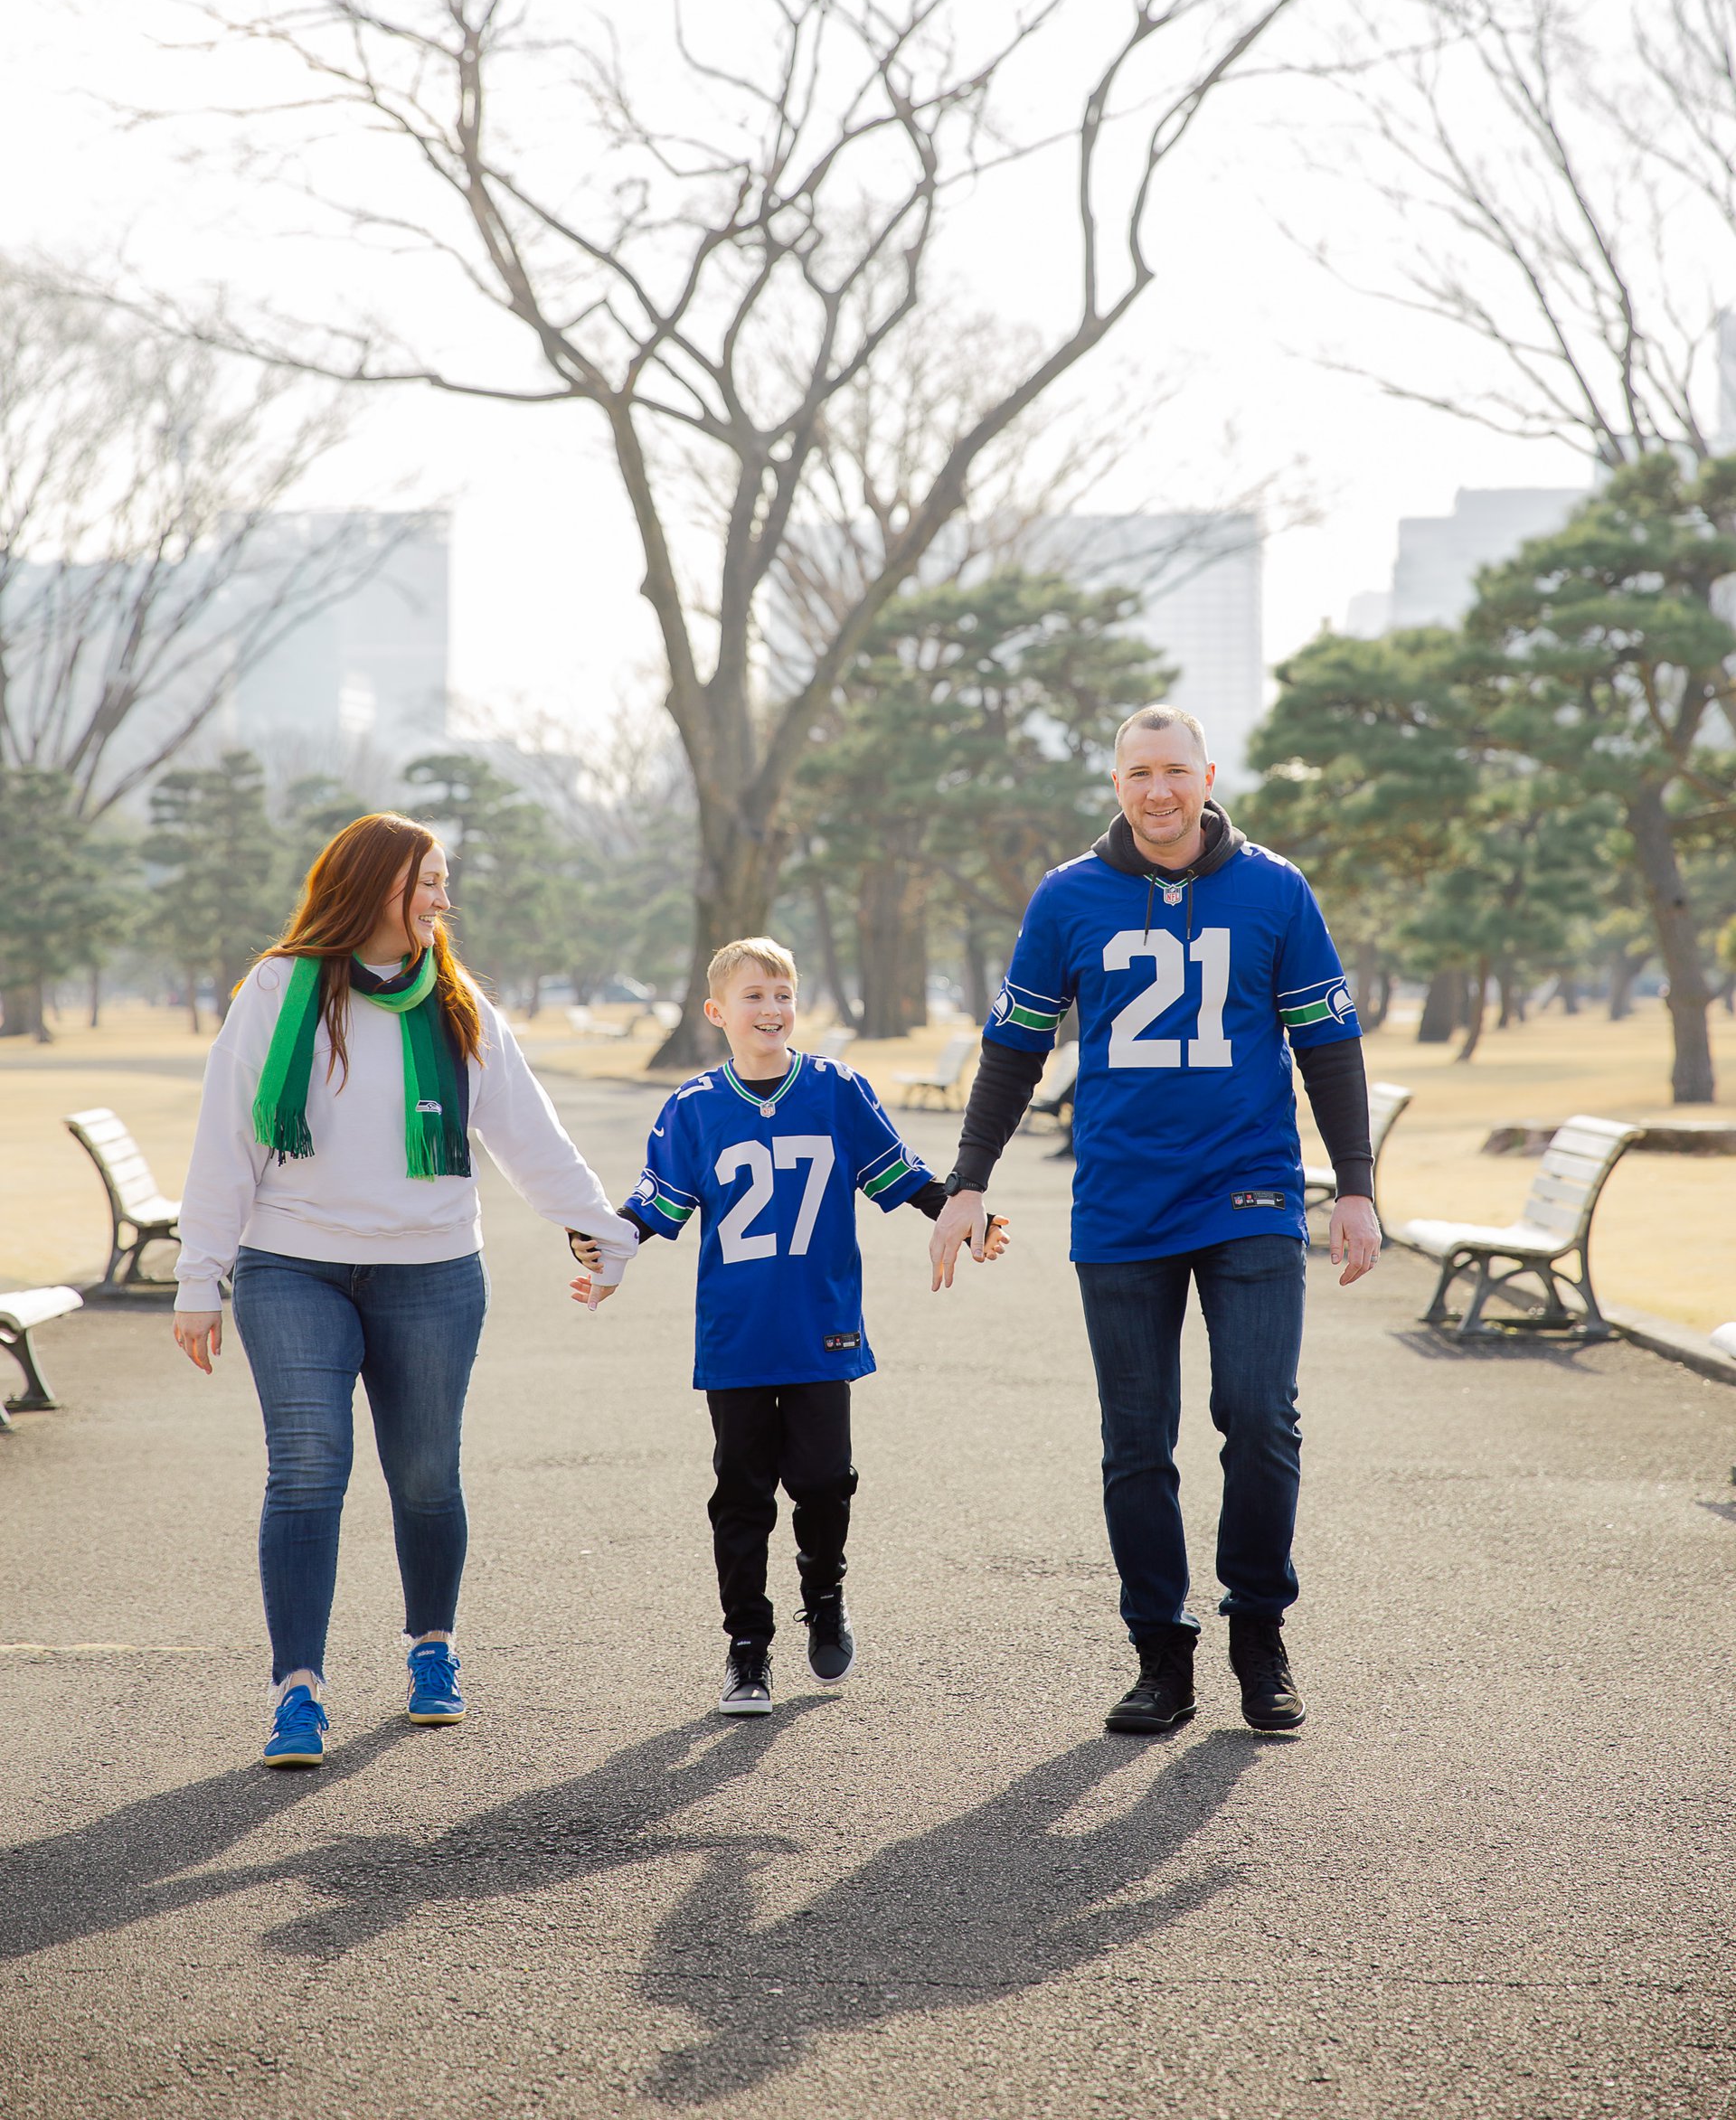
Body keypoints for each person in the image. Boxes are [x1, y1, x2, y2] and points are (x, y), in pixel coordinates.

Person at [928, 705, 1380, 1738]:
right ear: (1117, 784)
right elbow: (1015, 1049)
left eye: (1176, 770)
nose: (1159, 791)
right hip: (1123, 1203)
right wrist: (967, 1182)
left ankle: (1258, 1630)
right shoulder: (1067, 896)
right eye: (1140, 773)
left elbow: (1327, 1044)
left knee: (1259, 1416)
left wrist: (1354, 1186)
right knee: (1136, 1438)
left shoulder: (1275, 888)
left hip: (1248, 1192)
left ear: (1208, 777)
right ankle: (1160, 1655)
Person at [171, 812, 639, 1769]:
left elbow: (528, 1132)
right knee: (307, 1469)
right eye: (428, 880)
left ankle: (432, 1645)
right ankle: (297, 1690)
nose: (442, 899)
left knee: (425, 1474)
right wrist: (198, 1275)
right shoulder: (279, 989)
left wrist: (600, 1229)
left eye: (443, 881)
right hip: (291, 1264)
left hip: (432, 1271)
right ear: (374, 883)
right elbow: (227, 1134)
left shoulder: (457, 1002)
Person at [574, 938, 1007, 1715]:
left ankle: (825, 1597)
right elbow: (653, 1207)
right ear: (716, 1012)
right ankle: (747, 1648)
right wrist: (602, 1243)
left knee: (823, 1480)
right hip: (738, 1333)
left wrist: (963, 1217)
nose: (771, 1009)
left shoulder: (837, 1090)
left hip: (821, 1324)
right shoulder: (693, 1106)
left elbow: (902, 1175)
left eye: (783, 994)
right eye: (753, 996)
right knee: (741, 1492)